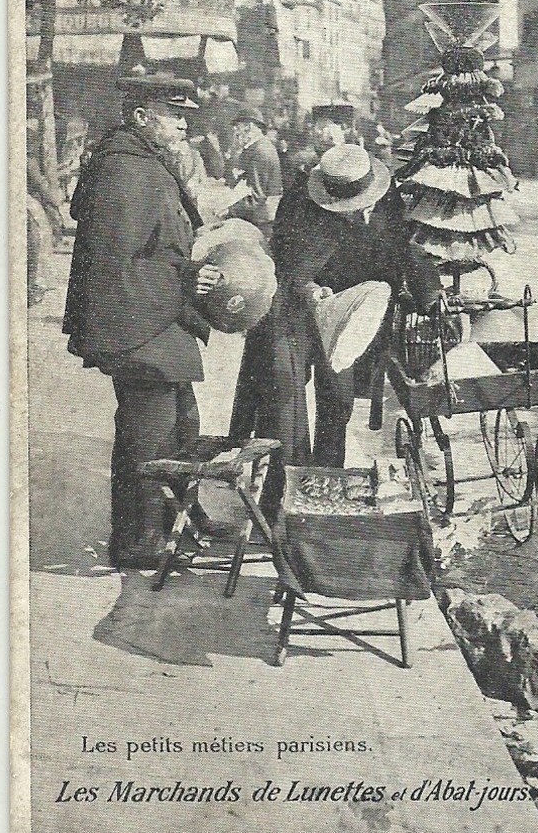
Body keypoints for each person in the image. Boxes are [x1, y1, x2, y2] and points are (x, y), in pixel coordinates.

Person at [62, 70, 224, 569]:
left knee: (182, 428)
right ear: (140, 117)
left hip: (156, 321)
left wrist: (188, 271)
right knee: (148, 437)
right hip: (139, 325)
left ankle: (182, 519)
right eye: (175, 116)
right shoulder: (125, 170)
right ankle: (138, 540)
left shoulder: (143, 162)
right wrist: (184, 281)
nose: (183, 127)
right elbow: (114, 265)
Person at [229, 143, 440, 517]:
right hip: (293, 311)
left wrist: (430, 295)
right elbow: (285, 262)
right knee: (285, 402)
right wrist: (309, 289)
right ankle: (283, 499)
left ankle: (325, 487)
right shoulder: (300, 199)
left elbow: (408, 249)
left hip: (352, 310)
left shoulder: (389, 196)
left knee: (338, 399)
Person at [228, 106, 283, 239]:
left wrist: (228, 210)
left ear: (250, 127)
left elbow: (256, 196)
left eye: (238, 126)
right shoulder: (257, 147)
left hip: (258, 222)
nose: (235, 131)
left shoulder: (261, 151)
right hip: (257, 219)